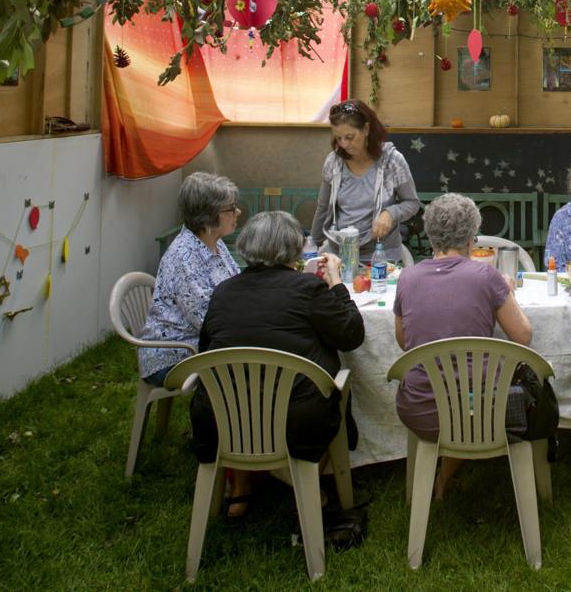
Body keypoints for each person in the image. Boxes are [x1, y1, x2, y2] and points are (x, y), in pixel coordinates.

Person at [190, 210, 365, 518]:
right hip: (294, 419)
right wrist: (337, 281)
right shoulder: (307, 290)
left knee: (240, 386)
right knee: (325, 391)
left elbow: (207, 351)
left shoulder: (223, 293)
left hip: (222, 419)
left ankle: (240, 489)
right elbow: (351, 334)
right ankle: (305, 485)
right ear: (292, 250)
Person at [393, 193, 533, 498]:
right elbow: (522, 336)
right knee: (471, 386)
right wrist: (508, 293)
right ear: (472, 237)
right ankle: (445, 477)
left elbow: (405, 341)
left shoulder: (407, 277)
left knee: (457, 384)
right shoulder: (487, 276)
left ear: (430, 235)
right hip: (480, 412)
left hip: (418, 409)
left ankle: (440, 478)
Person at [138, 172, 241, 387]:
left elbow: (237, 287)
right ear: (210, 216)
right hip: (174, 354)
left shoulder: (214, 242)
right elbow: (207, 321)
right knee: (252, 367)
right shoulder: (184, 257)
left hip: (202, 343)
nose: (238, 212)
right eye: (231, 209)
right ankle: (228, 419)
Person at [310, 98, 420, 262]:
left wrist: (390, 213)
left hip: (381, 256)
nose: (344, 144)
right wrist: (314, 244)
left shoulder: (392, 161)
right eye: (338, 138)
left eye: (350, 136)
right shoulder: (334, 163)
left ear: (367, 129)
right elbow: (323, 207)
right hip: (340, 254)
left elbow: (412, 203)